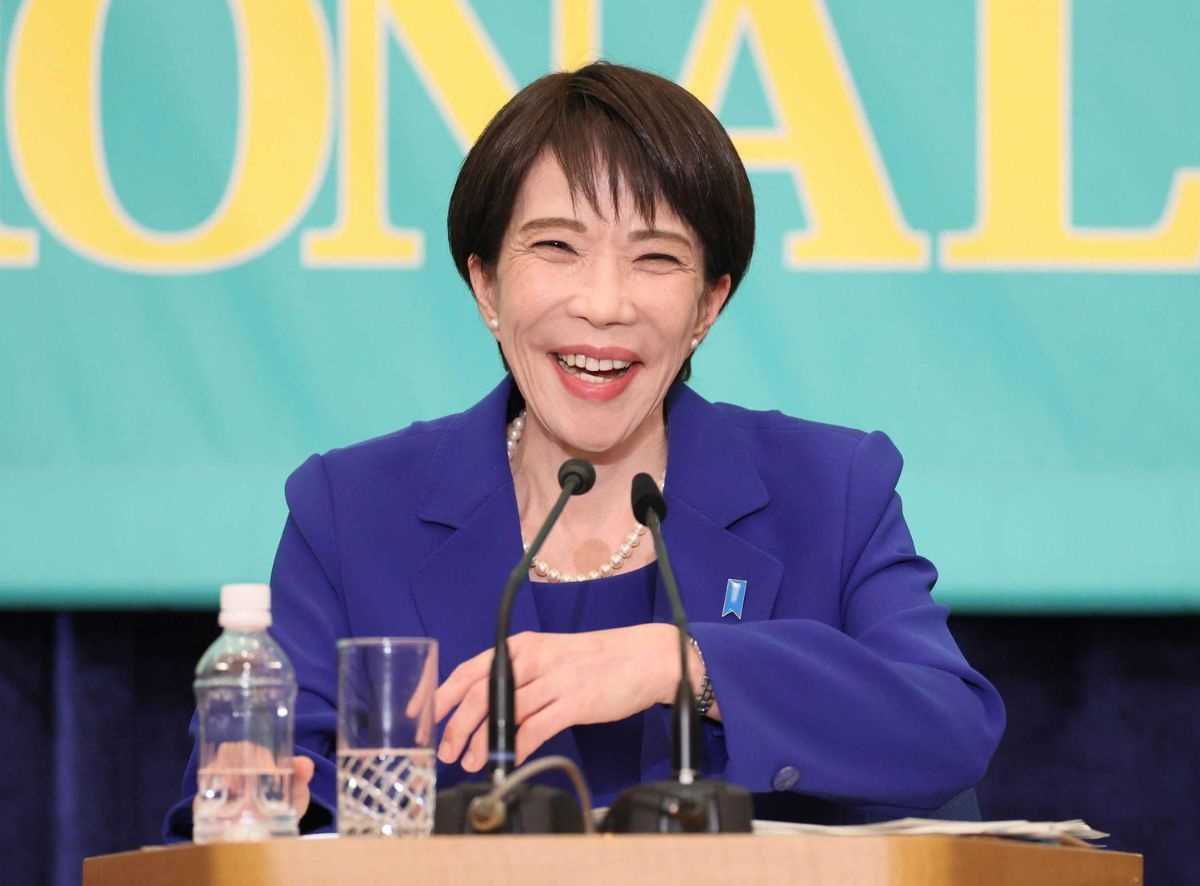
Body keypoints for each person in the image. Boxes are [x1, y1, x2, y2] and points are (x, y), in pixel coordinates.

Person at [166, 62, 1003, 838]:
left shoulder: (828, 491)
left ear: (708, 306)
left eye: (656, 258)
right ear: (486, 285)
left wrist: (685, 663)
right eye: (557, 247)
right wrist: (266, 800)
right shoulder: (353, 512)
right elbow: (267, 799)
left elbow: (948, 728)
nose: (604, 305)